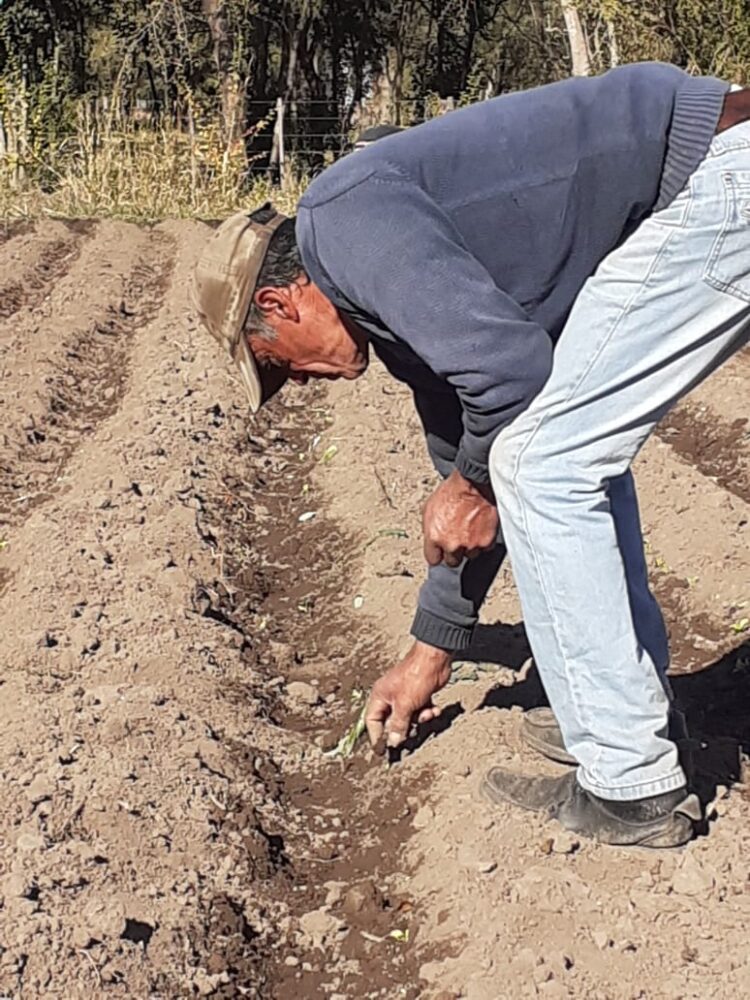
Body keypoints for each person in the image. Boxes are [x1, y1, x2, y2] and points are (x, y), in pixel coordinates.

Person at [192, 63, 750, 849]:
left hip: (719, 173)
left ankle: (631, 782)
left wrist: (470, 483)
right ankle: (625, 712)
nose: (305, 382)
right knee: (552, 455)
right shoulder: (399, 322)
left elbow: (510, 382)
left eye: (281, 362)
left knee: (546, 463)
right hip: (713, 175)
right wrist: (430, 652)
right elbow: (475, 480)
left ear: (281, 304)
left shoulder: (339, 222)